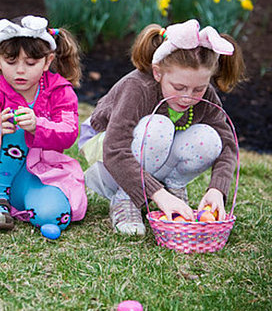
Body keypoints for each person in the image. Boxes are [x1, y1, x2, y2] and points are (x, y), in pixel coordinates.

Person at [79, 19, 245, 236]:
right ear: (158, 73)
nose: (188, 97)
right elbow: (114, 150)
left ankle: (173, 187)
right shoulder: (138, 88)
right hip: (110, 155)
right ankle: (125, 197)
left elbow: (227, 144)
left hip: (152, 153)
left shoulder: (207, 97)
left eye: (198, 89)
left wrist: (217, 189)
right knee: (159, 127)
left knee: (211, 138)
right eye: (179, 87)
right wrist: (159, 195)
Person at [0, 15, 87, 231]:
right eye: (11, 61)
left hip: (37, 176)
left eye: (30, 63)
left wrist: (39, 126)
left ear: (47, 61)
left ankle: (21, 204)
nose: (20, 70)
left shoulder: (60, 92)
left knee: (54, 216)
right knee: (10, 125)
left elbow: (70, 132)